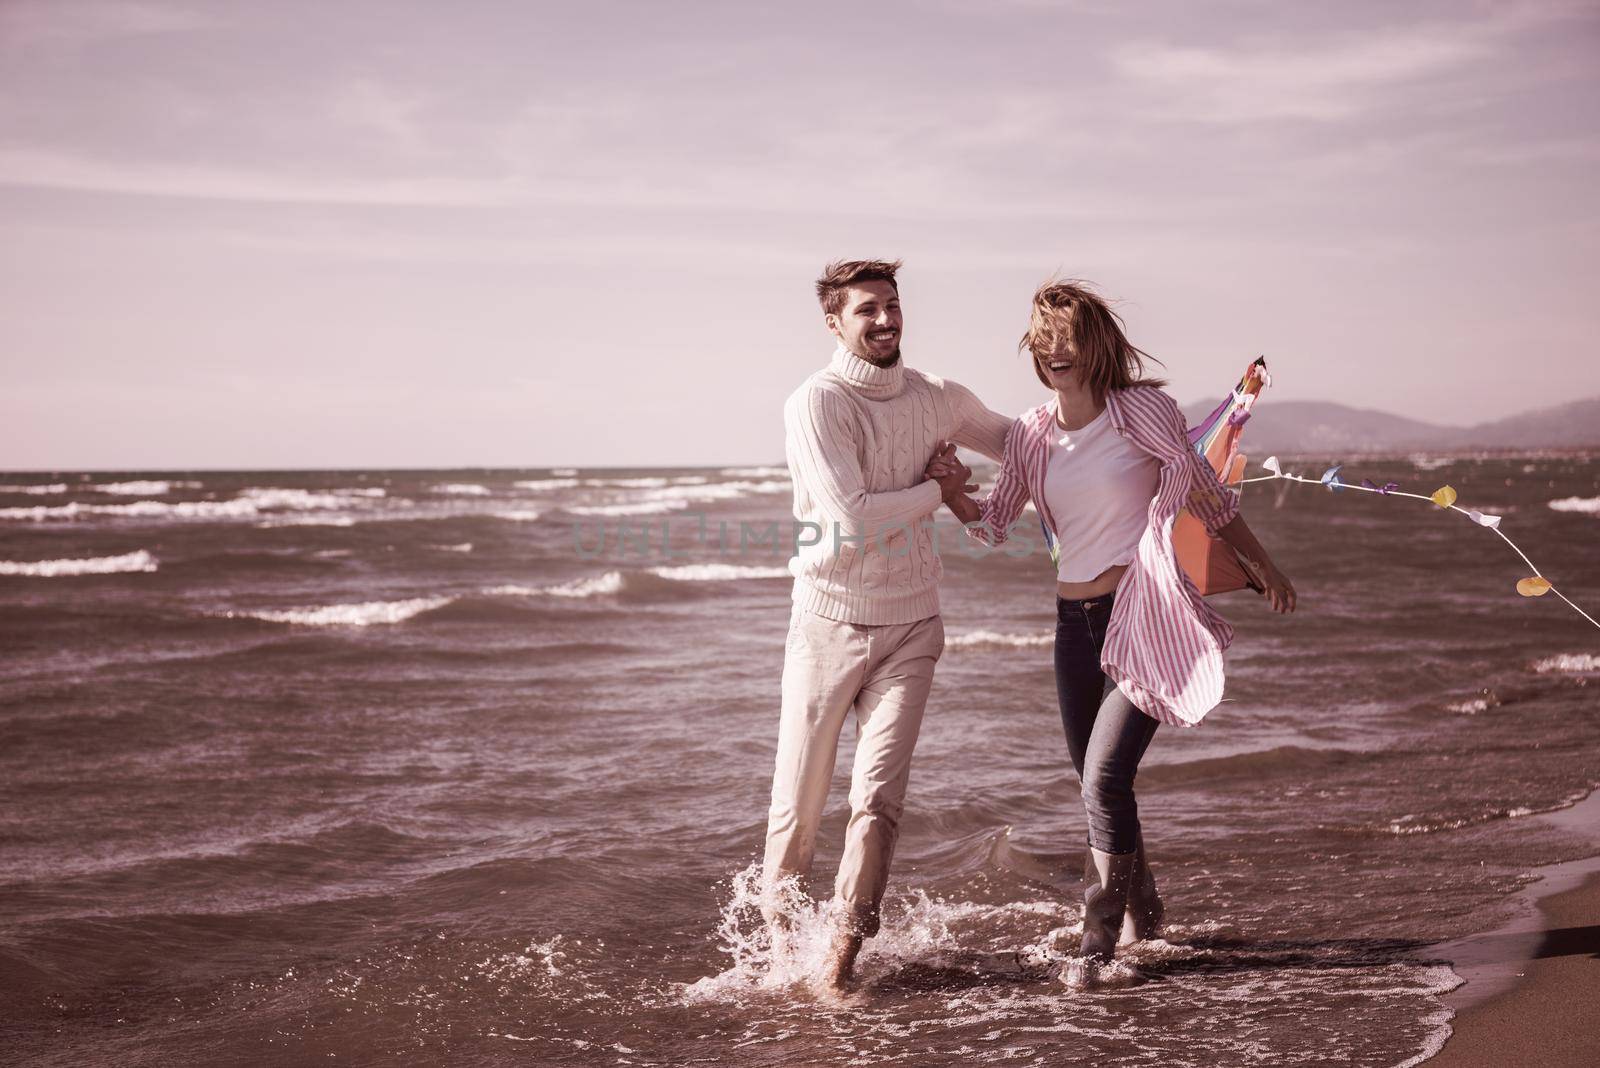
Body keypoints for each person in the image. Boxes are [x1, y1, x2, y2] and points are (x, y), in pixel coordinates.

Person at [927, 279, 1295, 982]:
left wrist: (1262, 563)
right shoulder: (1033, 435)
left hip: (1142, 608)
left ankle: (1099, 941)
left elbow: (1205, 496)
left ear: (1095, 346)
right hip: (1074, 627)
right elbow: (994, 525)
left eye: (1067, 336)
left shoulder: (1142, 413)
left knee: (1103, 779)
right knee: (1100, 782)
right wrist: (950, 493)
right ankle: (1146, 913)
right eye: (1044, 338)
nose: (1054, 349)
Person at [764, 259, 1013, 994]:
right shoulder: (818, 402)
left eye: (893, 306)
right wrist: (939, 487)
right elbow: (851, 518)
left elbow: (1025, 446)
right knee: (798, 807)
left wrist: (1138, 437)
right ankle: (780, 961)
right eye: (867, 309)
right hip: (827, 622)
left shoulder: (937, 398)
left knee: (876, 802)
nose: (885, 320)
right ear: (836, 323)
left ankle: (839, 964)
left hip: (912, 626)